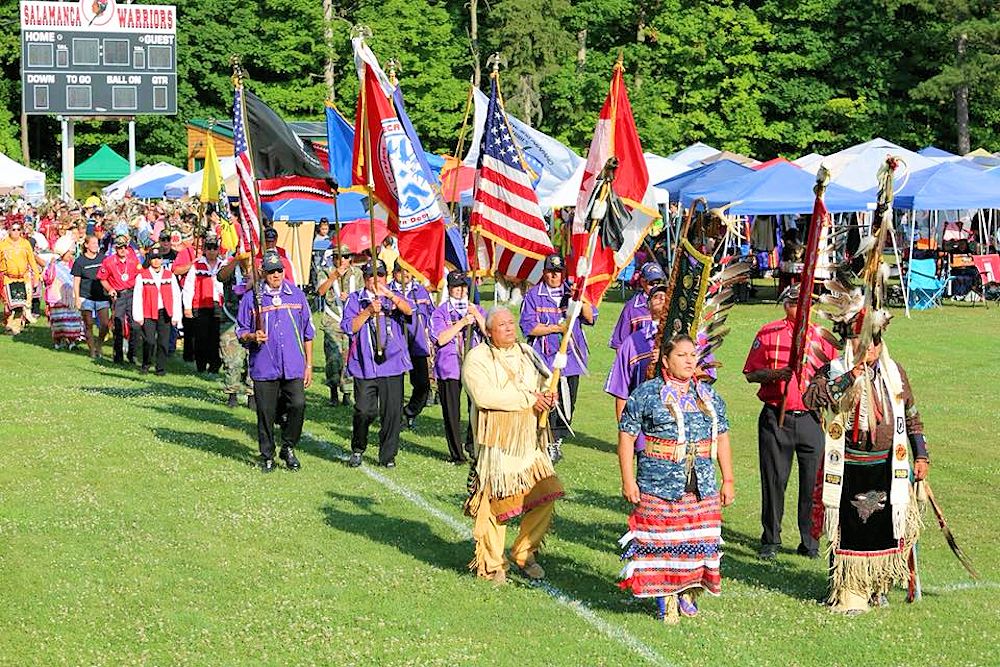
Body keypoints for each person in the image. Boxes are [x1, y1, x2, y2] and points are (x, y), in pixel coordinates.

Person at [803, 336, 928, 614]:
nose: (869, 347)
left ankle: (879, 587)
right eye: (863, 341)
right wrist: (850, 377)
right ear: (851, 343)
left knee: (885, 530)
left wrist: (921, 454)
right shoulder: (834, 370)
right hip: (848, 466)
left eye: (875, 341)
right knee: (847, 530)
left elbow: (911, 416)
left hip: (887, 466)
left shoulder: (895, 373)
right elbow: (811, 398)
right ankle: (847, 590)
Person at [617, 334, 735, 623]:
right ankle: (664, 598)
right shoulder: (647, 394)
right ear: (666, 361)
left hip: (701, 483)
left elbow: (722, 436)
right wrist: (628, 480)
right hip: (659, 483)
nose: (689, 360)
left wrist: (728, 479)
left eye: (692, 355)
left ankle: (687, 592)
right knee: (661, 543)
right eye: (681, 355)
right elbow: (627, 436)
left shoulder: (708, 396)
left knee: (696, 541)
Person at [462, 306, 563, 584]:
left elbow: (545, 382)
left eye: (511, 323)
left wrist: (548, 396)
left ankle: (524, 552)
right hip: (498, 444)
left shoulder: (527, 352)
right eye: (502, 325)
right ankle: (493, 564)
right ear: (489, 331)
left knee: (547, 492)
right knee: (497, 505)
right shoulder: (477, 358)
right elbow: (484, 396)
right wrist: (530, 399)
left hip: (529, 441)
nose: (509, 328)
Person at [743, 284, 837, 560]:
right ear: (786, 305)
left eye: (806, 303)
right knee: (774, 481)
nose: (801, 308)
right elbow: (750, 374)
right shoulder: (769, 332)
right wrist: (775, 375)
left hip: (811, 418)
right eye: (795, 303)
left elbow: (836, 376)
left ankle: (810, 541)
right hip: (777, 417)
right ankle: (771, 539)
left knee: (813, 484)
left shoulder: (822, 337)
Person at [236, 251, 314, 472]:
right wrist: (253, 336)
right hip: (265, 365)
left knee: (298, 404)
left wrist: (308, 364)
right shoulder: (252, 298)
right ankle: (267, 454)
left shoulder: (296, 295)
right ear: (263, 273)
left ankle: (288, 446)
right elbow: (241, 330)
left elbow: (308, 332)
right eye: (271, 271)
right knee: (266, 413)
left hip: (293, 364)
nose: (276, 275)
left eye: (279, 270)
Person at [520, 252, 597, 463]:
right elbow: (529, 327)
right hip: (545, 360)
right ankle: (547, 442)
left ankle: (558, 441)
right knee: (548, 402)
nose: (554, 276)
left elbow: (590, 318)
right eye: (550, 271)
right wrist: (556, 328)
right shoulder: (533, 295)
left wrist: (582, 298)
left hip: (571, 360)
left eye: (558, 271)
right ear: (544, 272)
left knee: (568, 402)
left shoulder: (572, 292)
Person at [342, 259, 414, 468]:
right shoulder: (356, 299)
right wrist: (368, 312)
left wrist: (389, 296)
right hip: (366, 365)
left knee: (392, 413)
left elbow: (409, 310)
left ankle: (388, 455)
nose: (376, 280)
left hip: (392, 363)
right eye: (371, 276)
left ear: (386, 277)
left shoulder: (394, 295)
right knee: (364, 411)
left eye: (380, 275)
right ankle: (358, 447)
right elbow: (349, 327)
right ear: (364, 278)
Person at [430, 271, 486, 463]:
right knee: (451, 411)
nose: (460, 290)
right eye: (456, 287)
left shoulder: (476, 309)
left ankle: (472, 444)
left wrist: (476, 315)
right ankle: (456, 453)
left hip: (474, 366)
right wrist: (462, 323)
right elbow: (440, 339)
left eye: (463, 286)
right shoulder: (440, 312)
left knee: (478, 407)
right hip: (449, 365)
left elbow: (489, 333)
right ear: (449, 288)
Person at [604, 283, 668, 439]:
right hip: (643, 434)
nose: (661, 298)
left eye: (666, 297)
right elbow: (620, 390)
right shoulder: (631, 343)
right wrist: (626, 435)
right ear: (648, 306)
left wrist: (668, 360)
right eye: (656, 296)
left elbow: (705, 375)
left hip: (677, 434)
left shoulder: (685, 338)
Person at [315, 245, 359, 406]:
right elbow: (320, 291)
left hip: (351, 321)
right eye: (339, 257)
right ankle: (333, 391)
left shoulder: (357, 274)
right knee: (333, 358)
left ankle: (347, 392)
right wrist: (334, 277)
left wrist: (351, 297)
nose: (343, 260)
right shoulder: (325, 272)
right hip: (332, 320)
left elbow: (363, 295)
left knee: (349, 358)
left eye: (346, 257)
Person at [391, 264, 434, 429]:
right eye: (400, 271)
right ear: (394, 273)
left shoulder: (421, 291)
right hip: (396, 345)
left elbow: (431, 313)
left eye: (408, 270)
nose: (405, 274)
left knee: (423, 384)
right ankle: (395, 418)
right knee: (395, 385)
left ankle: (409, 412)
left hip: (417, 343)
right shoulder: (387, 291)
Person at [132, 246, 182, 375]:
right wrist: (138, 315)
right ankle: (146, 364)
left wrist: (176, 315)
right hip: (148, 312)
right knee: (149, 341)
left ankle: (160, 368)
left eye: (158, 258)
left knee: (163, 342)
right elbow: (137, 296)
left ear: (162, 259)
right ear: (149, 260)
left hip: (164, 312)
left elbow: (176, 295)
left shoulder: (169, 275)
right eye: (153, 258)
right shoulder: (142, 276)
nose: (156, 261)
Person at [97, 234, 143, 365]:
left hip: (132, 294)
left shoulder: (134, 260)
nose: (122, 250)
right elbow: (102, 278)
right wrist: (110, 289)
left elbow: (141, 276)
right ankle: (118, 355)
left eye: (124, 247)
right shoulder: (109, 261)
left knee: (135, 325)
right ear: (115, 248)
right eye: (119, 247)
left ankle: (132, 354)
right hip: (119, 295)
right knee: (118, 325)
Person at [182, 236, 224, 373]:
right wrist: (187, 307)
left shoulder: (223, 265)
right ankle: (201, 365)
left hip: (218, 305)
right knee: (201, 337)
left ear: (218, 250)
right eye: (209, 248)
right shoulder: (196, 265)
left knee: (215, 337)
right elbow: (188, 287)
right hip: (200, 305)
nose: (212, 251)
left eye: (214, 248)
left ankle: (214, 366)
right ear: (205, 250)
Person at [217, 253, 254, 409]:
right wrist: (236, 261)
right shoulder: (230, 266)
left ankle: (252, 394)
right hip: (231, 317)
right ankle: (232, 393)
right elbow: (221, 276)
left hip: (252, 320)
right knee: (232, 359)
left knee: (253, 358)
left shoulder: (259, 266)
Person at [609, 261, 664, 350]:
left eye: (659, 282)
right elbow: (619, 343)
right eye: (652, 283)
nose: (656, 286)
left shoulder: (668, 304)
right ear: (642, 282)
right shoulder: (632, 307)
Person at [0, 220, 43, 335]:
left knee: (20, 304)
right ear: (9, 231)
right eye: (13, 229)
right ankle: (8, 324)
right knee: (8, 306)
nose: (16, 232)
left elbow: (32, 261)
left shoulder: (25, 244)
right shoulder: (2, 245)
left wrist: (36, 277)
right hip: (8, 279)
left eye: (18, 229)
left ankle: (15, 327)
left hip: (23, 279)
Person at [72, 234, 111, 359]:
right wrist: (77, 298)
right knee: (88, 323)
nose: (95, 246)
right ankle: (92, 349)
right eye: (93, 243)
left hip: (102, 296)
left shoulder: (103, 259)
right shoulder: (80, 261)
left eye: (97, 243)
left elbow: (109, 275)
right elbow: (76, 281)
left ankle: (99, 344)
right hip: (86, 296)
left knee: (105, 324)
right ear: (86, 245)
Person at [42, 234, 84, 349]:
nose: (71, 256)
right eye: (70, 253)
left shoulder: (73, 265)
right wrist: (51, 266)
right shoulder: (53, 265)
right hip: (57, 297)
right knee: (59, 320)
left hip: (71, 297)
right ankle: (58, 341)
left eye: (72, 254)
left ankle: (72, 341)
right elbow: (48, 279)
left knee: (72, 319)